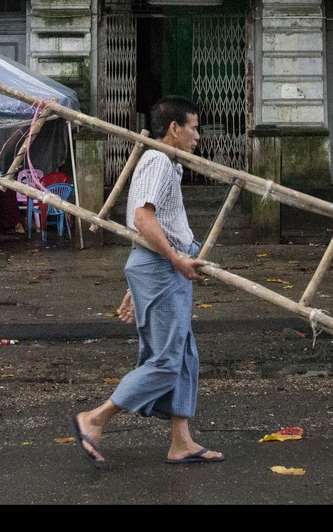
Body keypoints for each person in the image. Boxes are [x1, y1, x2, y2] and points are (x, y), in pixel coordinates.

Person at [68, 96, 223, 468]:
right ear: (174, 128)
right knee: (167, 361)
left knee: (184, 357)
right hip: (163, 268)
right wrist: (174, 259)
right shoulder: (156, 159)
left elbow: (155, 228)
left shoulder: (169, 165)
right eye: (194, 127)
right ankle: (95, 418)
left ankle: (181, 442)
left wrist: (137, 285)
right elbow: (142, 217)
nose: (198, 136)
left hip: (159, 268)